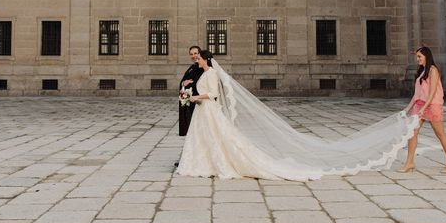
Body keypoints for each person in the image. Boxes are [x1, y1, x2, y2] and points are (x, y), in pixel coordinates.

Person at [176, 50, 420, 181]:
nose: (195, 60)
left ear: (206, 59)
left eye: (198, 57)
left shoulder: (210, 75)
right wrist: (189, 95)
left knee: (219, 138)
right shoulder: (200, 73)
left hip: (207, 108)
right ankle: (203, 161)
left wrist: (194, 97)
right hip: (203, 113)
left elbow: (213, 95)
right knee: (207, 138)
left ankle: (214, 162)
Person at [399, 46, 446, 174]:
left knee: (440, 134)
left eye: (419, 56)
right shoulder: (421, 72)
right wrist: (407, 108)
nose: (417, 59)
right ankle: (409, 162)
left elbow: (431, 93)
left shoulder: (433, 70)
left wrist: (424, 108)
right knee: (412, 133)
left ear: (427, 56)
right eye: (417, 56)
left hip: (432, 106)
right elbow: (417, 94)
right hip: (419, 105)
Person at [178, 46, 203, 137]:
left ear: (200, 54)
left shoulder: (202, 67)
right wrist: (183, 83)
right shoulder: (192, 67)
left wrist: (188, 83)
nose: (193, 56)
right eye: (191, 54)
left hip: (197, 98)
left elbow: (199, 82)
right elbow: (183, 81)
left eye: (195, 53)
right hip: (188, 97)